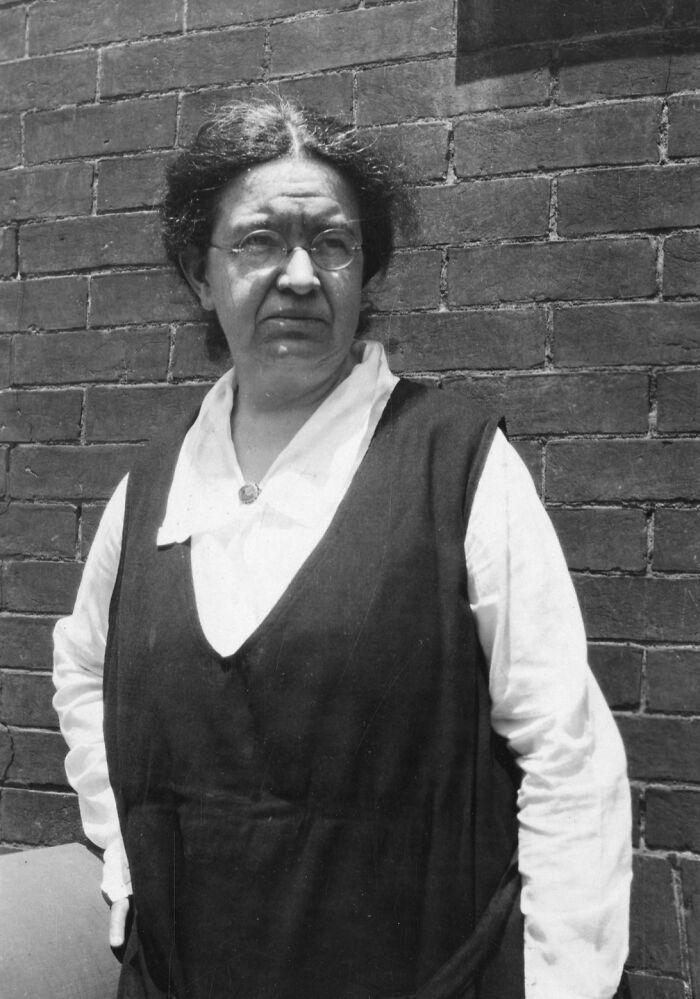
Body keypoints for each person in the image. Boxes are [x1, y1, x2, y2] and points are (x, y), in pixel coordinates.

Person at [53, 98, 632, 999]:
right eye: (257, 242)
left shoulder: (457, 462)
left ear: (364, 274)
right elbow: (83, 663)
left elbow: (568, 749)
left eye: (332, 243)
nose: (298, 274)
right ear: (200, 276)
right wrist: (123, 840)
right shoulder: (152, 490)